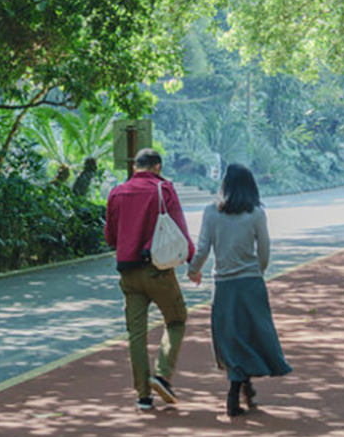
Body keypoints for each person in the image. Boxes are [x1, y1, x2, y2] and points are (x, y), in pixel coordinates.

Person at [187, 163, 292, 417]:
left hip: (223, 285)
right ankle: (240, 388)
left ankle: (237, 389)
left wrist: (193, 271)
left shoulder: (211, 212)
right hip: (250, 283)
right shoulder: (256, 213)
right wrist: (258, 271)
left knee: (230, 336)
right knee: (253, 334)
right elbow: (264, 250)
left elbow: (202, 248)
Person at [105, 148, 196, 410]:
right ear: (157, 167)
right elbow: (178, 228)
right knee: (176, 319)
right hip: (157, 269)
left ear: (135, 167)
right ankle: (162, 375)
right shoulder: (163, 189)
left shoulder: (117, 192)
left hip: (128, 273)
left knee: (136, 333)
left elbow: (110, 236)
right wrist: (191, 261)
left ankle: (143, 396)